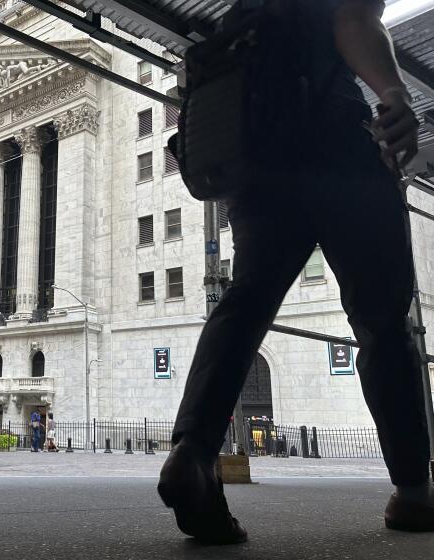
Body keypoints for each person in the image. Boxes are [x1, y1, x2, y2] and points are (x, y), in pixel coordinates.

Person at [158, 0, 431, 545]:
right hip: (335, 140)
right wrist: (394, 95)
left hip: (255, 152)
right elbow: (353, 17)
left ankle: (193, 450)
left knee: (247, 299)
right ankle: (413, 492)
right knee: (382, 322)